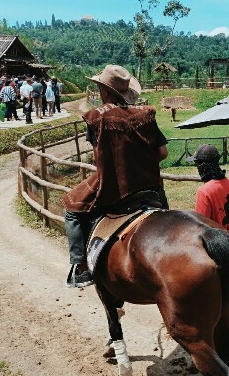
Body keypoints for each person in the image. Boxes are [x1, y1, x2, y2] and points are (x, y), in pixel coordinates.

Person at [61, 64, 169, 288]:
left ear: (105, 91)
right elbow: (162, 152)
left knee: (71, 207)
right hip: (150, 185)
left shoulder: (95, 118)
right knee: (166, 212)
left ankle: (80, 268)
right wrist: (140, 164)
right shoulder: (145, 114)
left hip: (114, 185)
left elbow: (97, 160)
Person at [187, 144, 229, 353]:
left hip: (216, 249)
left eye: (197, 165)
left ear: (204, 166)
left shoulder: (205, 191)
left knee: (218, 295)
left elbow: (200, 226)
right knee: (228, 292)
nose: (196, 169)